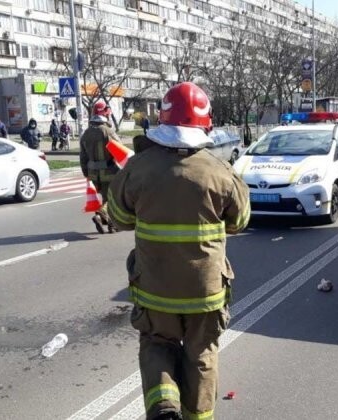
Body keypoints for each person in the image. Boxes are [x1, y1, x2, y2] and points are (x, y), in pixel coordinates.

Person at [108, 82, 250, 420]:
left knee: (158, 344)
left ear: (164, 119)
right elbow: (240, 220)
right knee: (201, 356)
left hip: (155, 291)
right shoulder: (219, 172)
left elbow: (119, 217)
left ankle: (163, 408)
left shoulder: (138, 168)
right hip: (205, 292)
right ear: (205, 124)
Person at [79, 101, 120, 234]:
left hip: (93, 173)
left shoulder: (85, 134)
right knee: (112, 199)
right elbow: (119, 150)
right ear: (104, 114)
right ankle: (101, 214)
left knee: (106, 197)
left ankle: (110, 224)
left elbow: (83, 157)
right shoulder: (107, 131)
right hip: (109, 171)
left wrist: (86, 173)